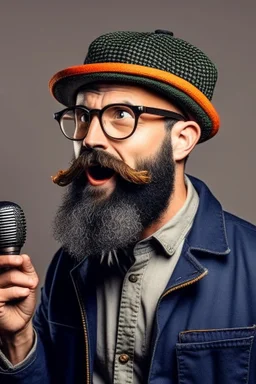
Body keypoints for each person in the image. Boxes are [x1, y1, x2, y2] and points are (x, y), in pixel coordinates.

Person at [0, 29, 255, 384]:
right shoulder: (68, 267)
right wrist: (18, 339)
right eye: (83, 116)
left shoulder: (252, 268)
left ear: (182, 139)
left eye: (121, 114)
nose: (89, 138)